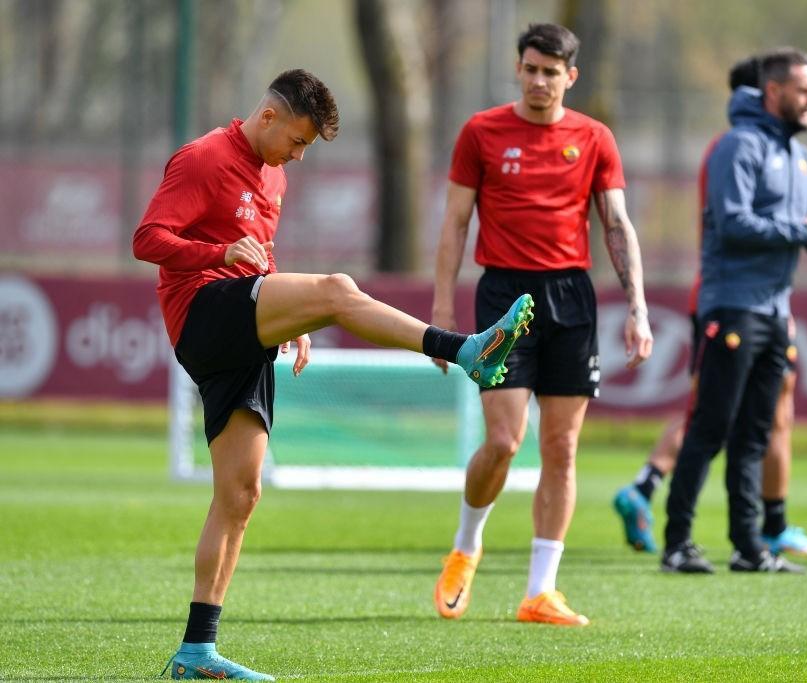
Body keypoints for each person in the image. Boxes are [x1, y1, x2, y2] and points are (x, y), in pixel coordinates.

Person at [135, 69, 533, 681]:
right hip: (201, 313)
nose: (298, 154)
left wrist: (290, 320)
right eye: (296, 141)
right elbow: (148, 239)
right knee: (339, 290)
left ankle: (196, 651)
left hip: (243, 326)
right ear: (268, 116)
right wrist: (217, 256)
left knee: (241, 494)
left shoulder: (276, 176)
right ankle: (464, 351)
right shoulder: (203, 158)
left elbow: (262, 259)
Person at [431, 23, 653, 626]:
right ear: (519, 68)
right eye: (530, 68)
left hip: (571, 298)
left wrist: (637, 306)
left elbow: (615, 223)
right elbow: (454, 223)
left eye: (550, 72)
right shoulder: (480, 132)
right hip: (502, 291)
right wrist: (443, 311)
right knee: (504, 442)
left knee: (561, 448)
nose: (538, 80)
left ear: (569, 77)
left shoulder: (595, 137)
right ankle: (467, 545)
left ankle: (540, 590)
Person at [613, 56, 807, 561]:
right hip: (731, 307)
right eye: (804, 90)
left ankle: (748, 545)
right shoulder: (738, 146)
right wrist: (805, 231)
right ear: (774, 91)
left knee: (755, 434)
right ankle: (678, 543)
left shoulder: (799, 155)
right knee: (709, 427)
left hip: (775, 311)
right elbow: (733, 224)